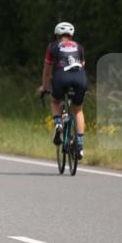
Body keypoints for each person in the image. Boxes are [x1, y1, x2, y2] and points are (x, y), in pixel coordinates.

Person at [38, 21, 87, 158]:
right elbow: (82, 65)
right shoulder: (79, 47)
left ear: (57, 35)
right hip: (80, 79)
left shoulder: (52, 46)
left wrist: (44, 87)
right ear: (71, 35)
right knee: (78, 110)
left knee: (55, 101)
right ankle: (80, 145)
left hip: (61, 78)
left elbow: (47, 70)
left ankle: (58, 123)